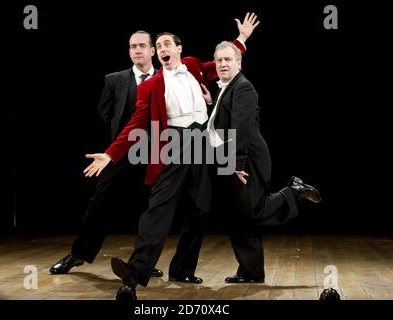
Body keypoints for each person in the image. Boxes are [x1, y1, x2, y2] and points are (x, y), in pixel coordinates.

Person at [83, 13, 260, 300]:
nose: (163, 48)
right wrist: (110, 154)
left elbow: (219, 65)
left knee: (200, 209)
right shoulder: (150, 85)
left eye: (168, 44)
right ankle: (136, 271)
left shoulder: (192, 65)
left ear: (179, 49)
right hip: (175, 143)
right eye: (160, 45)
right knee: (160, 208)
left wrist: (242, 39)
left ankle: (182, 269)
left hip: (201, 140)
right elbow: (137, 121)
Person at [49, 31, 163, 278]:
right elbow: (105, 115)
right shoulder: (114, 80)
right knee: (99, 204)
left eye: (142, 46)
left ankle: (144, 262)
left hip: (155, 155)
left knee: (152, 209)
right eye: (133, 46)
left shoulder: (167, 78)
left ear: (153, 50)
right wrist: (117, 146)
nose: (137, 50)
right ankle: (78, 254)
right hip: (120, 154)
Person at [206, 41, 321, 283]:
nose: (223, 64)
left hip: (247, 158)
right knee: (238, 216)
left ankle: (293, 193)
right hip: (234, 157)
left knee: (251, 212)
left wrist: (235, 163)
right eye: (219, 60)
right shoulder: (227, 88)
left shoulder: (243, 88)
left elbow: (242, 127)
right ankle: (250, 270)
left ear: (239, 62)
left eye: (228, 59)